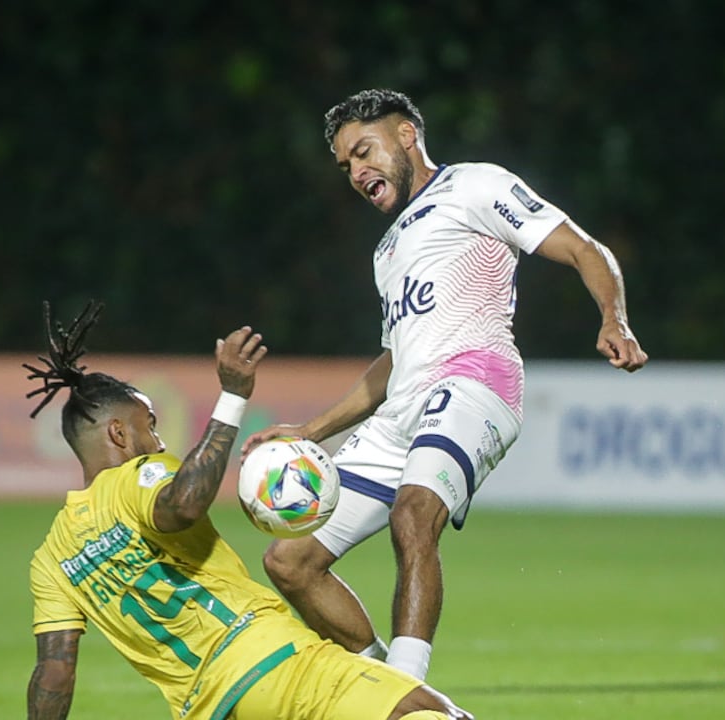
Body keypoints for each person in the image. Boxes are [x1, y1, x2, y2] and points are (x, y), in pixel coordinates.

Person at [241, 88, 649, 681]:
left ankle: (410, 694)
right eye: (346, 166)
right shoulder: (386, 251)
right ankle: (382, 685)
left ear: (406, 134)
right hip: (402, 410)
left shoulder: (475, 186)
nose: (356, 172)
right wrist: (311, 431)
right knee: (290, 561)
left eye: (363, 151)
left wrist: (614, 318)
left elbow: (585, 249)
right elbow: (393, 362)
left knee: (414, 513)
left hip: (475, 381)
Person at [24, 300, 470, 720]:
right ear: (119, 434)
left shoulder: (52, 558)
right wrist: (234, 397)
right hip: (273, 662)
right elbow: (183, 504)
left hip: (209, 707)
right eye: (150, 426)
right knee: (432, 712)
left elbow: (55, 673)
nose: (159, 441)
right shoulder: (138, 477)